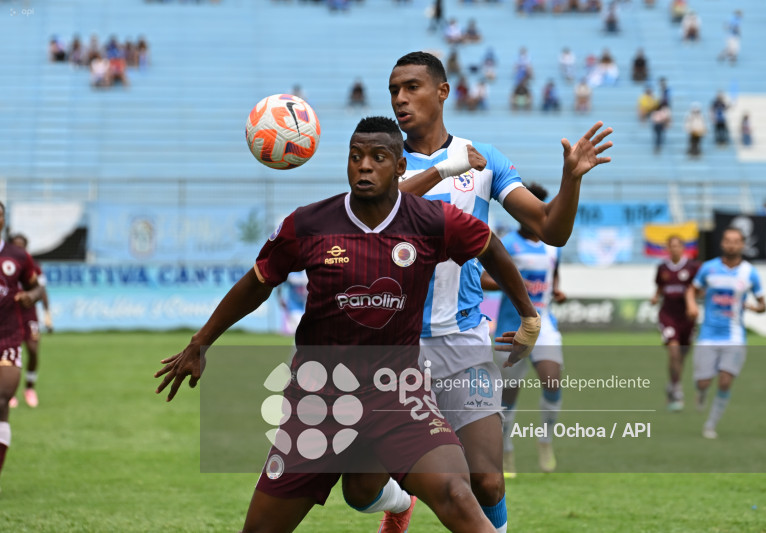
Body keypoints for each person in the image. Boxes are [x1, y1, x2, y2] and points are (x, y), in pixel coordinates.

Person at [155, 117, 541, 533]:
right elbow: (257, 283)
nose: (364, 166)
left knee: (457, 494)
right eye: (355, 157)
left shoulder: (433, 221)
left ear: (399, 167)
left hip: (399, 398)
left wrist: (528, 314)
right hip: (318, 403)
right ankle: (395, 505)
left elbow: (491, 248)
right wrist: (202, 341)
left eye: (377, 157)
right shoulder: (309, 224)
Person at [343, 51, 612, 533]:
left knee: (487, 481)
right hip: (392, 350)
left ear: (442, 92)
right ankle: (398, 503)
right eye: (393, 90)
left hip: (462, 344)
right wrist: (445, 168)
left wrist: (571, 181)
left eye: (411, 87)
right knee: (359, 488)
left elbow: (550, 228)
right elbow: (376, 215)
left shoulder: (483, 161)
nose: (400, 99)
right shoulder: (381, 159)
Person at [481, 182, 567, 475]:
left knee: (552, 380)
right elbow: (483, 279)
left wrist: (558, 290)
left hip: (545, 324)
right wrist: (512, 283)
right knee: (507, 395)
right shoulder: (506, 244)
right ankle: (505, 449)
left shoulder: (552, 245)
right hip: (511, 326)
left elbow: (554, 275)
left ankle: (546, 440)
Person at [686, 227, 766, 439]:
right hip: (708, 335)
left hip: (734, 335)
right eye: (728, 240)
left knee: (725, 380)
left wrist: (755, 308)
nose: (731, 244)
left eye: (736, 241)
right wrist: (692, 305)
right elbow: (691, 290)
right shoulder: (708, 268)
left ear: (742, 245)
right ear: (722, 243)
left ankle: (710, 425)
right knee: (703, 382)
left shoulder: (750, 273)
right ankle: (701, 393)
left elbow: (763, 304)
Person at [0, 202, 44, 487]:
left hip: (7, 337)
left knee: (1, 399)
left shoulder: (17, 255)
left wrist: (33, 296)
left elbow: (38, 286)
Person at [650, 236, 700, 411]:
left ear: (683, 248)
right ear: (668, 249)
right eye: (672, 246)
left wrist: (693, 303)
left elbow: (699, 289)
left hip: (687, 318)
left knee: (682, 355)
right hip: (668, 316)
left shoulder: (692, 267)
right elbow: (660, 286)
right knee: (673, 351)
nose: (675, 249)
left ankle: (672, 383)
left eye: (678, 246)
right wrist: (656, 296)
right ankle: (677, 390)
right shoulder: (662, 268)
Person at [8, 234, 52, 409]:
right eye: (16, 246)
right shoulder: (5, 262)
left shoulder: (32, 266)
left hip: (29, 315)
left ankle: (30, 388)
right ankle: (9, 392)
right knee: (10, 356)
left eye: (22, 247)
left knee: (33, 350)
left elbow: (41, 290)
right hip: (9, 315)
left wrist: (47, 313)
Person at [276, 270, 307, 336]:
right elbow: (279, 285)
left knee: (303, 335)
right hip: (293, 308)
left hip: (305, 307)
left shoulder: (307, 271)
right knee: (303, 332)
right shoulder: (292, 274)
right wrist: (280, 299)